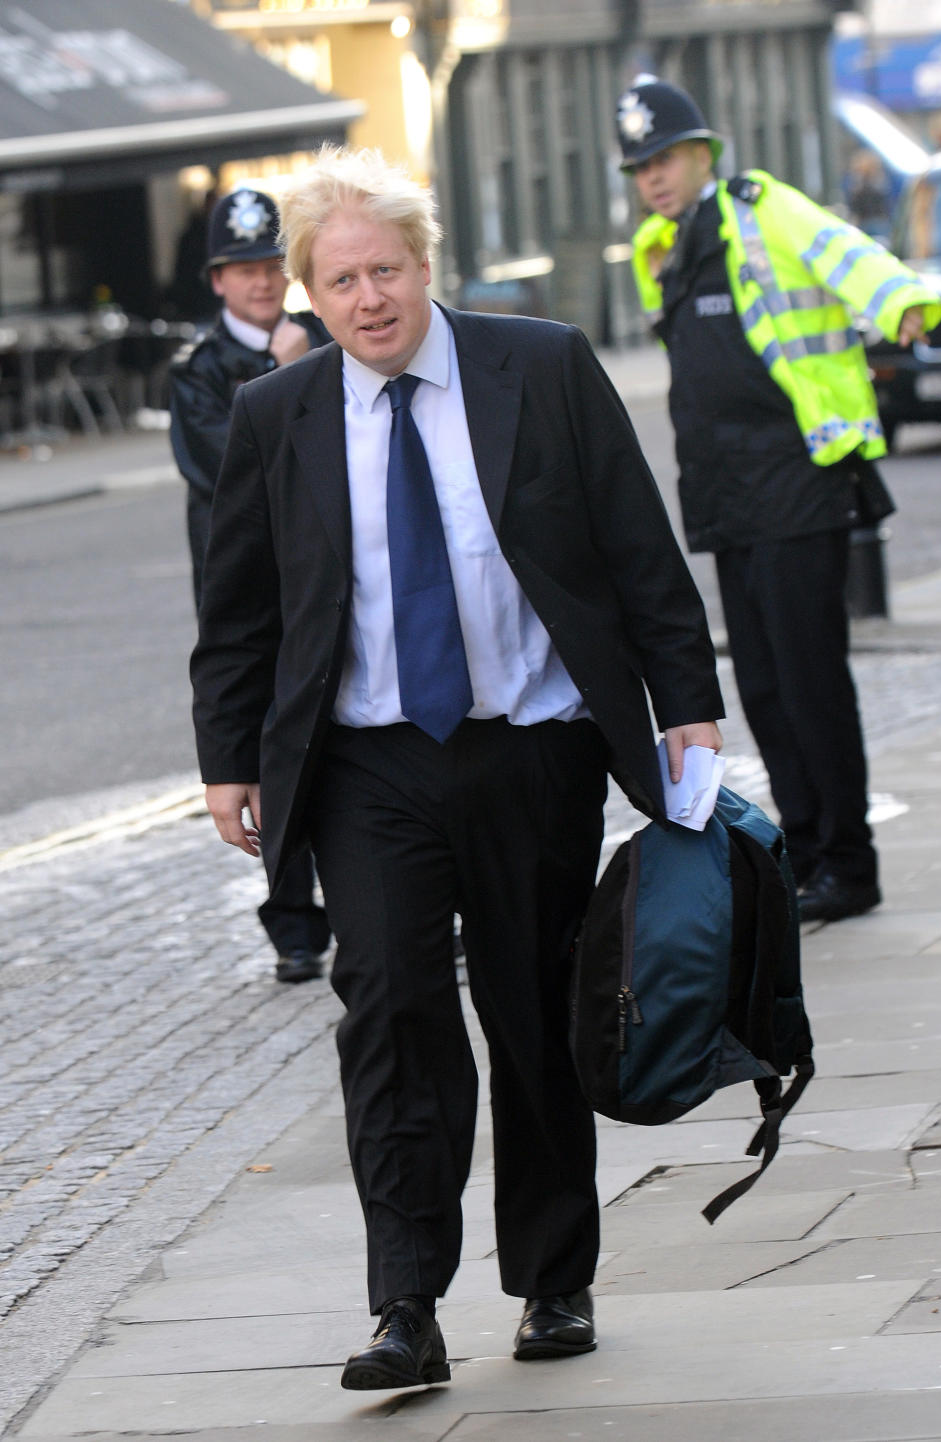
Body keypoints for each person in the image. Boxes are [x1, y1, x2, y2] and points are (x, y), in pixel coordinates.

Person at [190, 145, 724, 1390]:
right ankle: (405, 1303)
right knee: (391, 1013)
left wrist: (685, 702)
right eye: (340, 279)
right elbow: (242, 610)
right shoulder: (276, 416)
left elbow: (634, 542)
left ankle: (553, 1279)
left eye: (386, 270)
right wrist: (228, 759)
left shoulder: (538, 366)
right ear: (307, 293)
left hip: (532, 748)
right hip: (368, 768)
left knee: (535, 1010)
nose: (368, 298)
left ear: (426, 267)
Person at [617, 75, 941, 924]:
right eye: (639, 166)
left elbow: (848, 254)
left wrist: (907, 304)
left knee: (810, 681)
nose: (652, 176)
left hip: (800, 478)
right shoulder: (662, 247)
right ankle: (804, 853)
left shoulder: (760, 209)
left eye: (664, 158)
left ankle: (851, 862)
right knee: (761, 685)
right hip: (728, 492)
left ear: (702, 155)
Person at [170, 186, 332, 985]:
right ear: (217, 281)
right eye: (243, 269)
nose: (262, 281)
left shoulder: (332, 338)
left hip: (321, 578)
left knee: (343, 735)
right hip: (245, 592)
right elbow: (218, 464)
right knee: (264, 749)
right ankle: (294, 923)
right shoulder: (200, 372)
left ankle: (375, 901)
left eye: (271, 263)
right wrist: (279, 375)